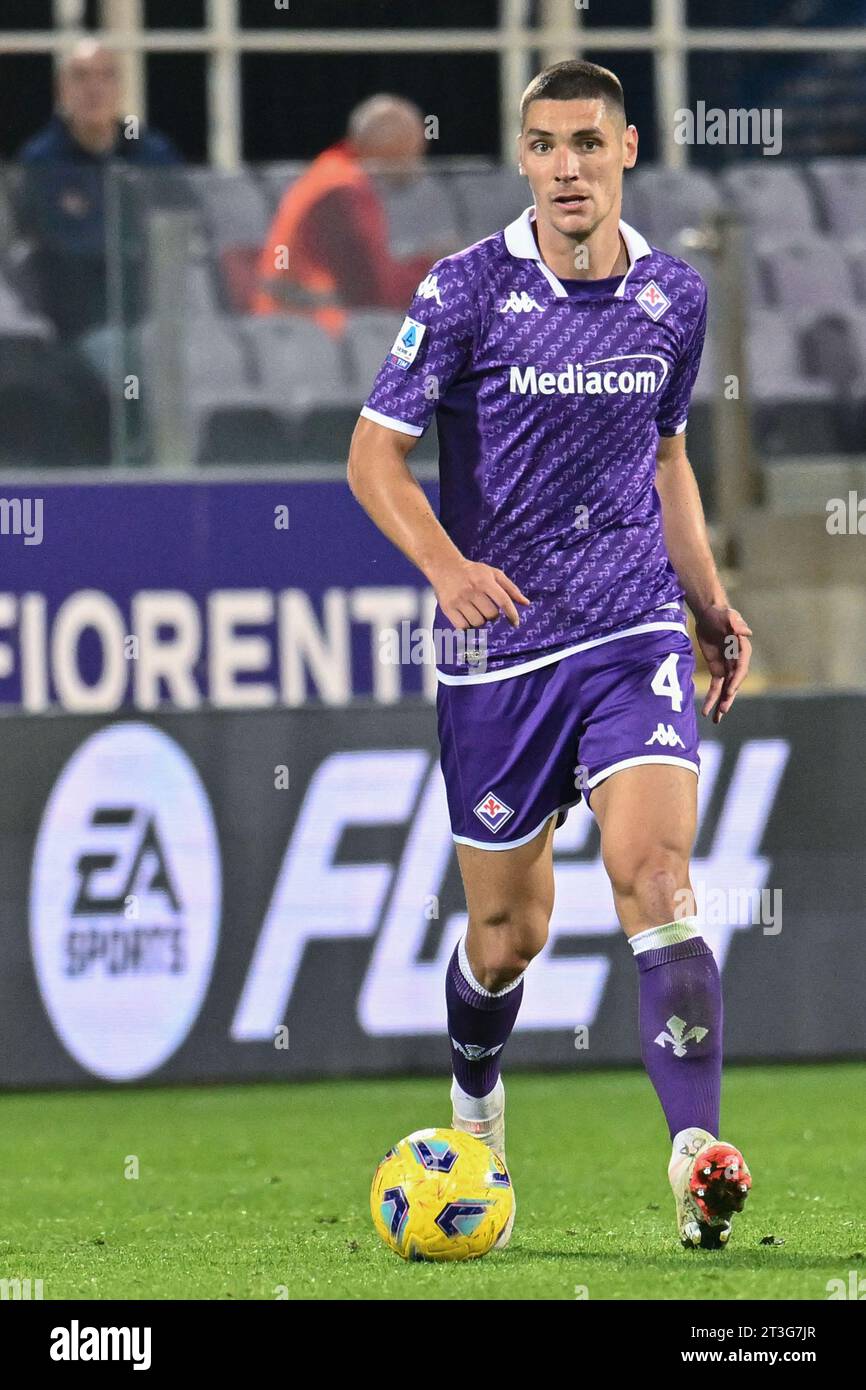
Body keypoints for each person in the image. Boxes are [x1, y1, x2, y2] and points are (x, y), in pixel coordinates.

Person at [348, 60, 754, 1251]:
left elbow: (668, 458)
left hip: (631, 632)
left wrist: (708, 602)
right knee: (504, 936)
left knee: (653, 872)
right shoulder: (466, 290)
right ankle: (477, 1111)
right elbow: (373, 456)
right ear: (521, 160)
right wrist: (445, 570)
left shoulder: (674, 297)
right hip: (501, 655)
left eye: (586, 142)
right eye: (542, 145)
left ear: (624, 151)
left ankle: (695, 1155)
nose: (565, 166)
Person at [16, 40, 182, 341]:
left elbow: (182, 228)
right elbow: (47, 244)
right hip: (73, 321)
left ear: (121, 88)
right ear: (62, 89)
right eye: (81, 77)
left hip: (147, 308)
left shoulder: (151, 153)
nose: (94, 89)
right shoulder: (40, 160)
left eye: (106, 77)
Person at [254, 95, 452, 337]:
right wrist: (436, 269)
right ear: (388, 148)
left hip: (303, 330)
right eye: (411, 153)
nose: (416, 166)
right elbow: (372, 292)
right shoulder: (342, 191)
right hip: (305, 336)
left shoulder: (333, 173)